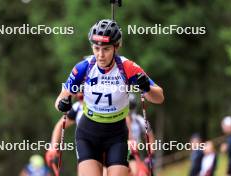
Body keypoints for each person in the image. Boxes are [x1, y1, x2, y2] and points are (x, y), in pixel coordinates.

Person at [55, 19, 164, 176]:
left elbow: (159, 97)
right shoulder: (84, 68)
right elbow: (60, 100)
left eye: (106, 49)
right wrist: (62, 104)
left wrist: (146, 87)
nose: (100, 54)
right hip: (88, 134)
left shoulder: (128, 68)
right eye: (96, 48)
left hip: (117, 136)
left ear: (116, 47)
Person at [45, 92, 83, 171]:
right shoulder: (77, 108)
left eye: (83, 97)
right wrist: (53, 147)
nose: (81, 99)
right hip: (85, 149)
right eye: (79, 97)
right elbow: (59, 126)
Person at [127, 93, 155, 176]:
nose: (129, 109)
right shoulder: (117, 121)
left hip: (137, 154)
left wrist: (151, 155)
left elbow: (149, 135)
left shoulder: (139, 121)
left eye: (130, 106)